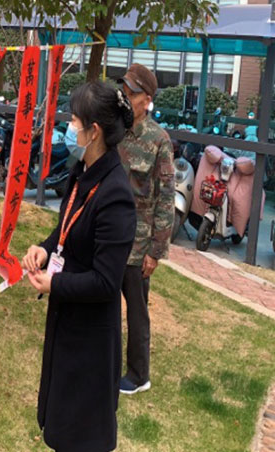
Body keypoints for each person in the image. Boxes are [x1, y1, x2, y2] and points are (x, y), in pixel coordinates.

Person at [23, 81, 137, 452]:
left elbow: (106, 282)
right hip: (66, 324)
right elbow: (66, 229)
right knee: (60, 428)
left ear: (94, 130)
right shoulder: (82, 171)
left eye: (74, 121)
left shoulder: (115, 194)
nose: (69, 128)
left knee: (80, 436)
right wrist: (43, 250)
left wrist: (53, 285)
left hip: (90, 340)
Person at [117, 63, 175, 395]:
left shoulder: (158, 140)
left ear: (147, 99)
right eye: (124, 90)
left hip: (138, 247)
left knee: (137, 312)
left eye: (132, 93)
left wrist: (156, 251)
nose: (125, 96)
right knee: (105, 305)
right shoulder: (116, 130)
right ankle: (107, 363)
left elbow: (166, 199)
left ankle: (139, 376)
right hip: (111, 237)